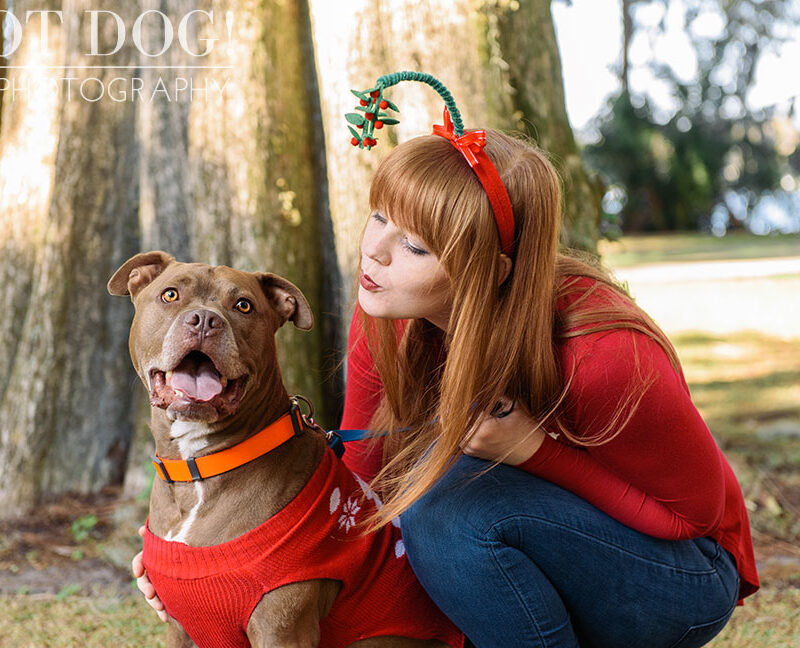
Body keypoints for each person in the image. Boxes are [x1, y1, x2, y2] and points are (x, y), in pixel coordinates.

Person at [133, 73, 759, 648]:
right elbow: (365, 484)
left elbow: (694, 516)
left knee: (447, 515)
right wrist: (197, 563)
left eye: (412, 245)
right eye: (378, 216)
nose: (374, 252)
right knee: (441, 514)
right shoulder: (386, 312)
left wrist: (534, 451)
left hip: (680, 578)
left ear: (488, 271)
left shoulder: (603, 355)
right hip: (524, 545)